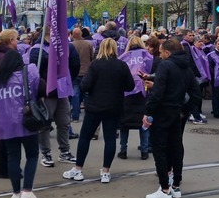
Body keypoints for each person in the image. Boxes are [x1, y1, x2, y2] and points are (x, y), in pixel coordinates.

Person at [62, 38, 134, 183]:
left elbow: (85, 85)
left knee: (85, 136)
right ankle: (106, 172)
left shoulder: (95, 65)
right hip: (114, 106)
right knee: (110, 139)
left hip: (95, 106)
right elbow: (130, 86)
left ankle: (78, 169)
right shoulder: (121, 65)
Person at [0, 29, 42, 198]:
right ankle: (27, 191)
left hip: (7, 121)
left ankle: (16, 193)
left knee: (13, 157)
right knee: (32, 155)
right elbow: (42, 89)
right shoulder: (29, 73)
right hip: (27, 120)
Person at [144, 37, 201, 198]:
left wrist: (148, 111)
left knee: (159, 149)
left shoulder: (165, 65)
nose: (160, 55)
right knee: (176, 146)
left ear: (167, 52)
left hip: (163, 112)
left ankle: (164, 188)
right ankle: (175, 185)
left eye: (161, 52)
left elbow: (158, 92)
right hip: (177, 113)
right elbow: (196, 94)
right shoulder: (187, 68)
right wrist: (185, 109)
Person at [30, 26, 80, 168]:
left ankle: (64, 152)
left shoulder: (66, 47)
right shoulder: (37, 49)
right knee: (44, 123)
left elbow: (75, 64)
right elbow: (33, 71)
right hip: (47, 93)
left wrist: (67, 80)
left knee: (64, 122)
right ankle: (46, 153)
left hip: (62, 91)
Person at [118, 35, 154, 160]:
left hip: (127, 92)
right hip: (143, 91)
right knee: (143, 123)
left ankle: (123, 150)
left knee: (125, 124)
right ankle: (144, 151)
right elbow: (151, 71)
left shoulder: (123, 57)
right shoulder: (146, 55)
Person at [71, 26, 95, 124]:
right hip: (86, 72)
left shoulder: (71, 45)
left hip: (75, 73)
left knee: (75, 95)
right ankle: (88, 115)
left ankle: (75, 116)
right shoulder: (88, 44)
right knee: (87, 94)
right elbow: (91, 57)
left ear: (73, 35)